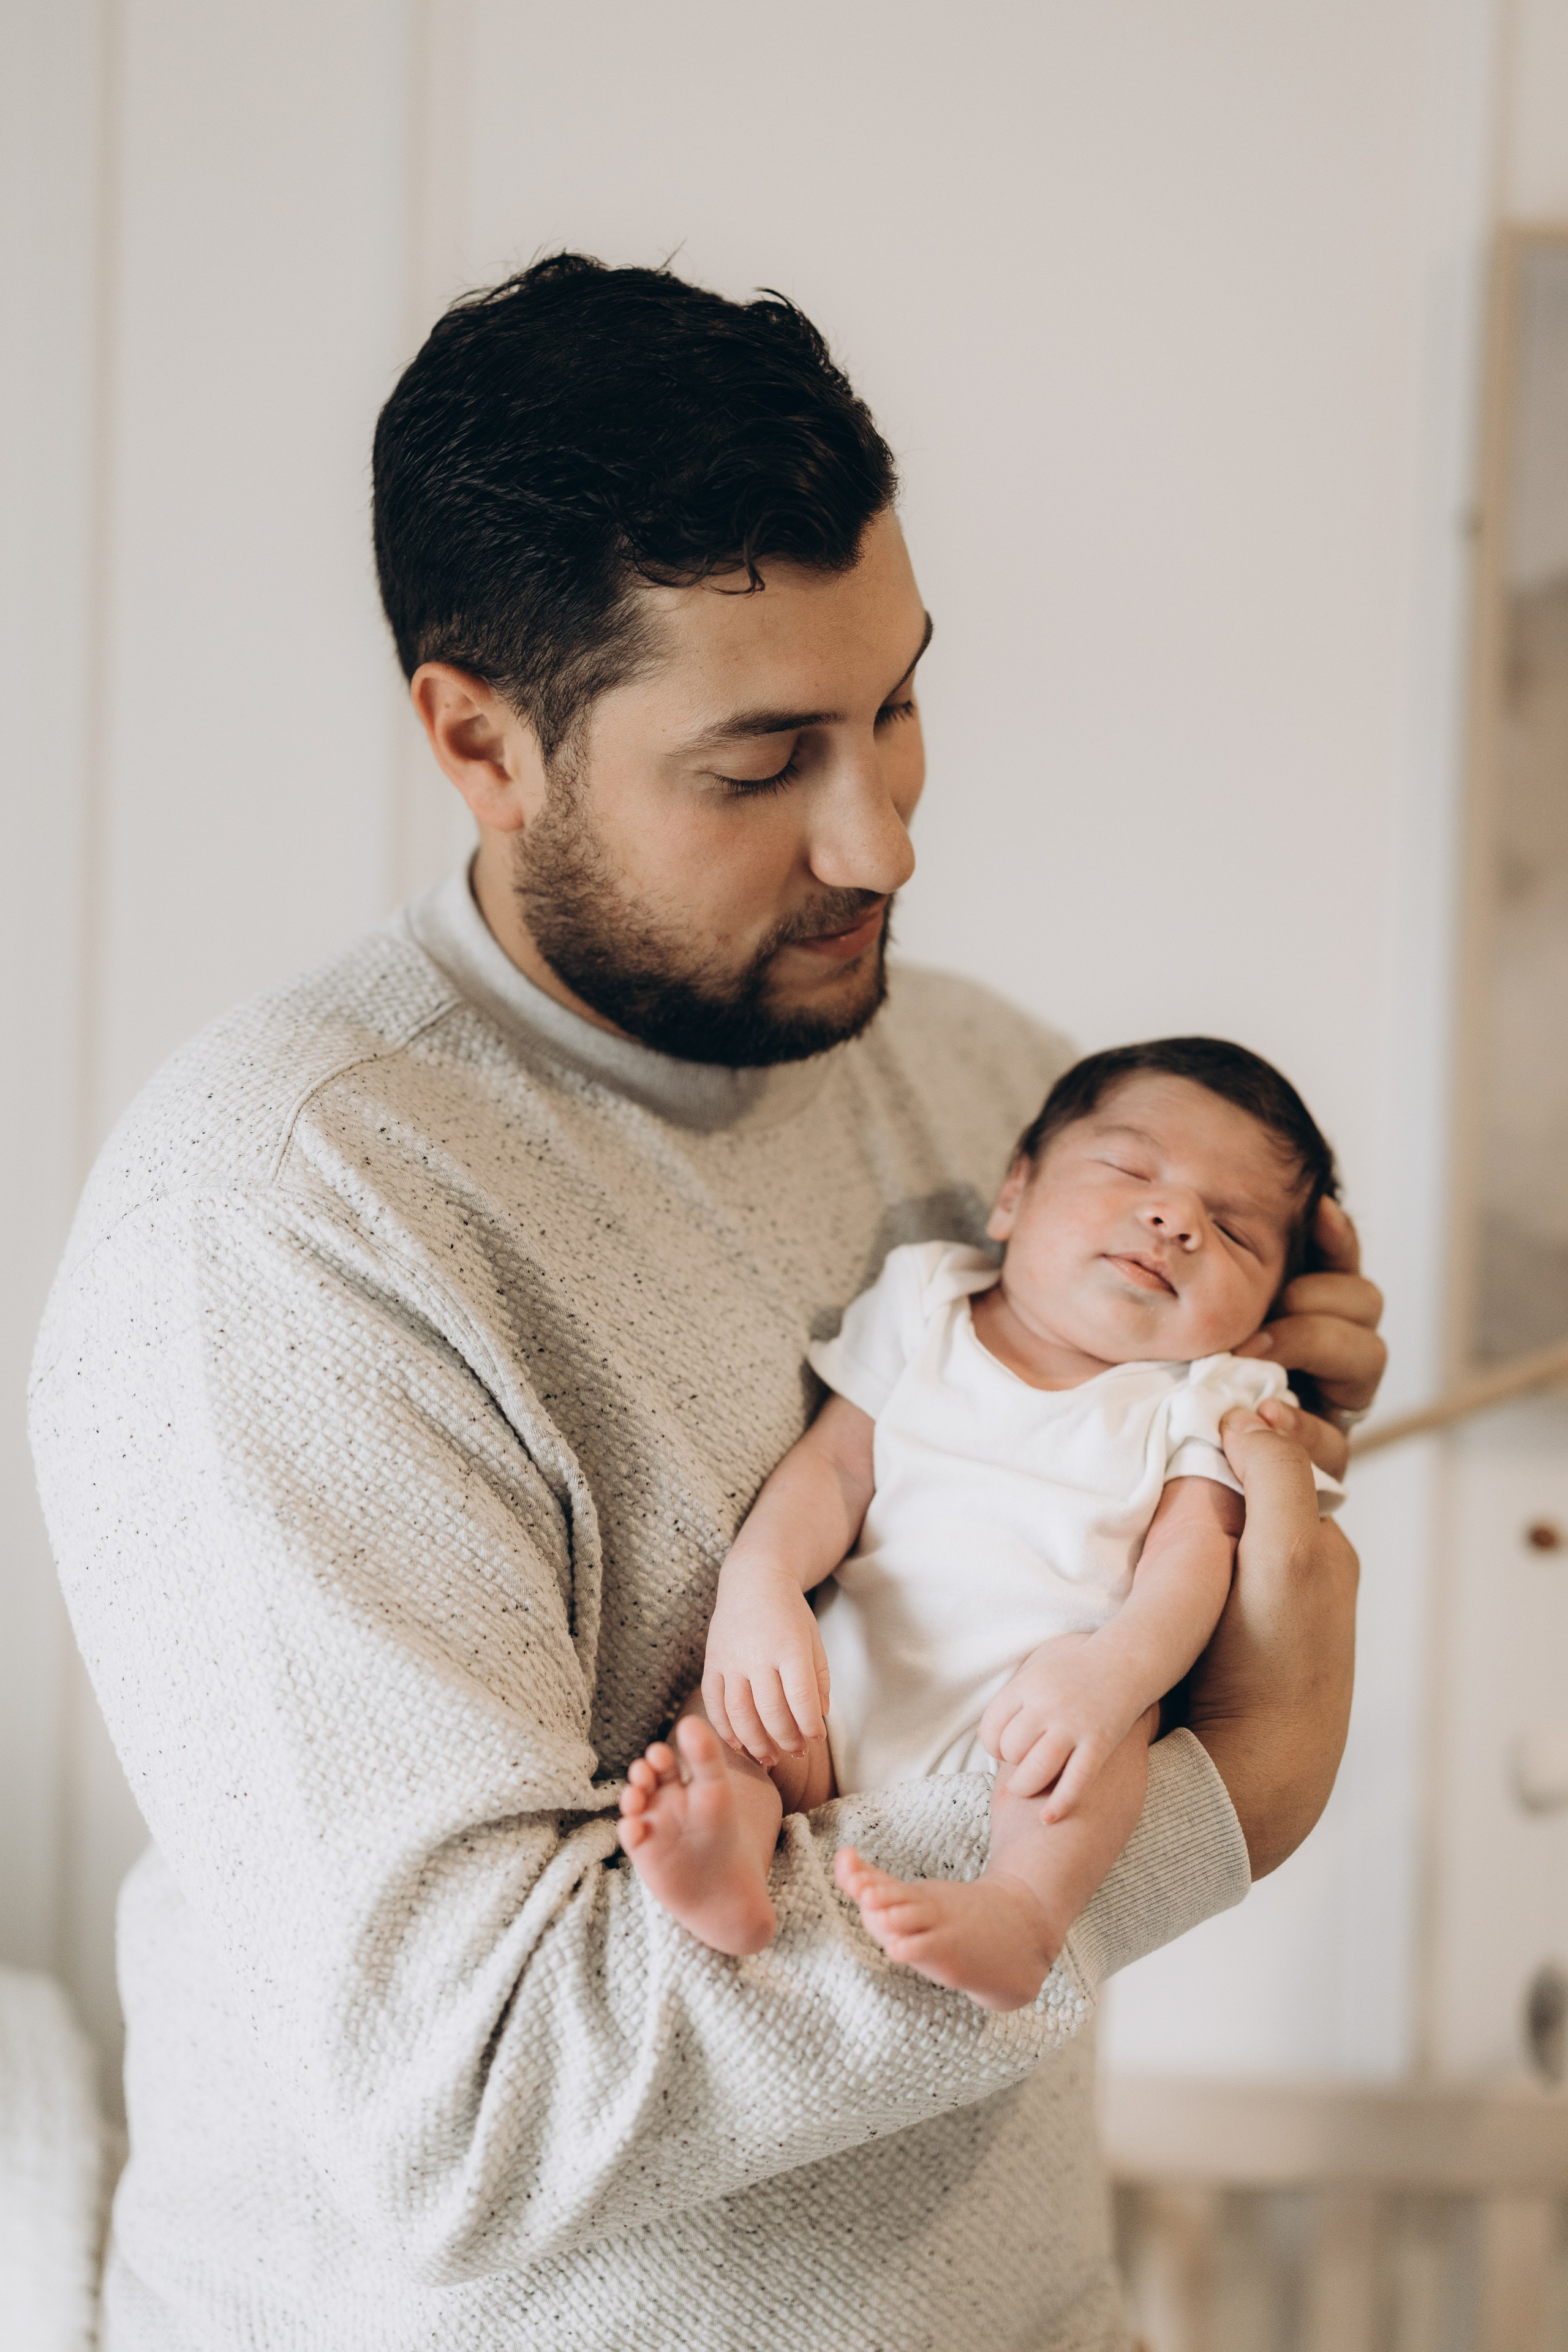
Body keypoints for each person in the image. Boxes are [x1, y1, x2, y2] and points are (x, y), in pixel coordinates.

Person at [29, 255, 1381, 2352]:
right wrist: (1216, 1796)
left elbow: (1053, 1533)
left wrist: (1246, 1451)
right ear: (480, 740)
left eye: (902, 703)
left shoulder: (987, 1086)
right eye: (762, 767)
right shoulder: (288, 1218)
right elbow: (476, 2114)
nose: (886, 840)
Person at [619, 1039, 1346, 2015]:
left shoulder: (1212, 1395)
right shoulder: (927, 1304)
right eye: (1131, 1169)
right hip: (840, 1683)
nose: (1175, 1219)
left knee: (1109, 1746)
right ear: (1014, 1195)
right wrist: (761, 1588)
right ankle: (729, 1860)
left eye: (1236, 1231)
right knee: (733, 1725)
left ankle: (1021, 1912)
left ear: (1264, 1318)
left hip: (1041, 1712)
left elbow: (1194, 1556)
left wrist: (1117, 1672)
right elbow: (834, 1470)